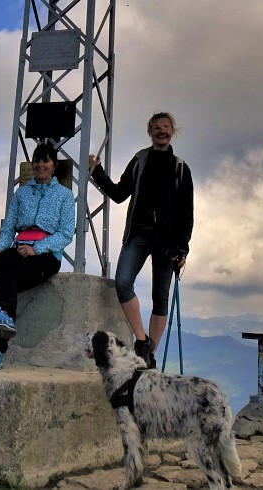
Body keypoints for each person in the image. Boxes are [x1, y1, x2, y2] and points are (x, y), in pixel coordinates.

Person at [89, 111, 194, 368]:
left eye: (166, 127)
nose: (162, 131)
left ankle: (149, 357)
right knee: (123, 282)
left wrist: (182, 246)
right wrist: (97, 171)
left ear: (173, 131)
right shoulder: (139, 160)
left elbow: (186, 212)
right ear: (150, 131)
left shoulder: (181, 168)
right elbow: (118, 193)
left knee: (161, 297)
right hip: (138, 233)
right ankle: (142, 341)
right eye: (157, 127)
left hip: (167, 242)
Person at [0, 142, 76, 371]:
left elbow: (66, 233)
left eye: (45, 160)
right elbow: (8, 227)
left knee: (6, 288)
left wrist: (37, 248)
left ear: (54, 165)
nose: (40, 164)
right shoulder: (22, 193)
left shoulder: (65, 195)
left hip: (47, 255)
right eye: (37, 160)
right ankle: (2, 324)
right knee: (3, 262)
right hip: (19, 249)